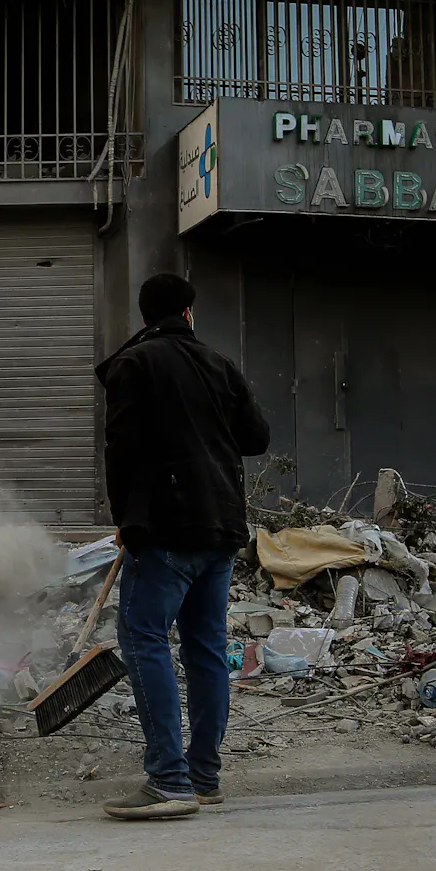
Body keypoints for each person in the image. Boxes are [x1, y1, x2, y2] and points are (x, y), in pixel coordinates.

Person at [97, 273, 270, 821]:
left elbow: (120, 451)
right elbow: (257, 438)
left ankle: (168, 780)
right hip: (220, 528)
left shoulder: (135, 365)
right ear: (190, 314)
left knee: (145, 638)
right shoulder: (219, 365)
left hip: (167, 531)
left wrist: (126, 520)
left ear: (146, 316)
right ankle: (203, 777)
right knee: (205, 648)